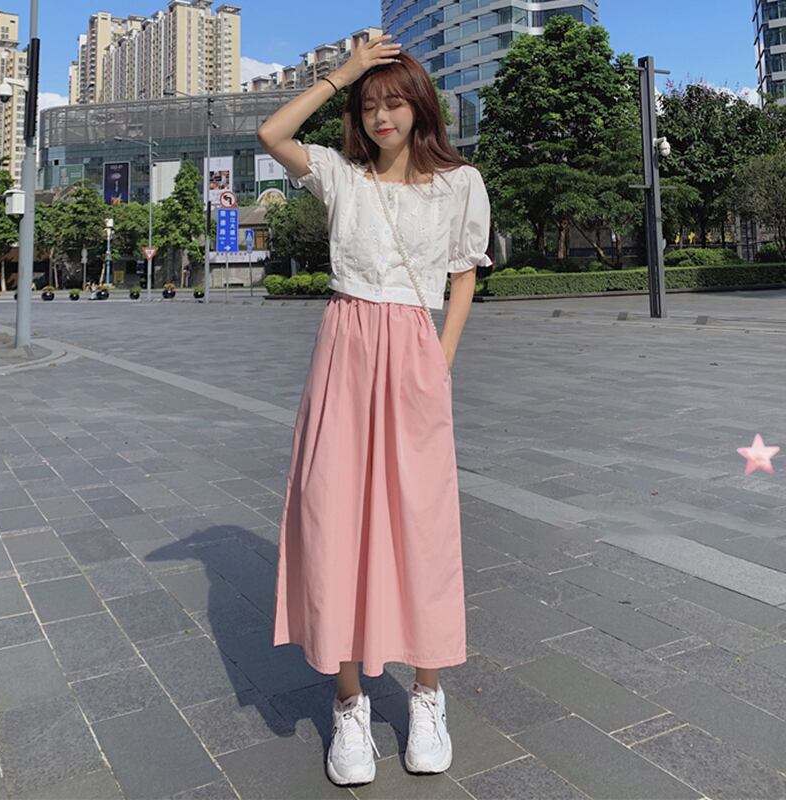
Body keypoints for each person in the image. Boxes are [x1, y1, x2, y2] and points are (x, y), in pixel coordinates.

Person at [258, 34, 492, 787]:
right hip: (344, 354)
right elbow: (272, 133)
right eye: (369, 106)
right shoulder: (341, 177)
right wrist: (346, 73)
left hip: (414, 357)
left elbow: (464, 274)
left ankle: (427, 693)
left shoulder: (459, 184)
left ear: (420, 106)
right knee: (333, 517)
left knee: (421, 522)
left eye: (394, 101)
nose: (381, 115)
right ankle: (350, 702)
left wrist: (440, 360)